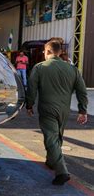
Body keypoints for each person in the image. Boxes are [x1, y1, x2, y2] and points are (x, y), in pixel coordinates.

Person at [26, 40, 88, 185]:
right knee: (57, 136)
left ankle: (62, 172)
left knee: (51, 138)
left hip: (47, 108)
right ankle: (50, 161)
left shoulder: (40, 67)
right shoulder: (72, 69)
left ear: (47, 52)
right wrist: (82, 110)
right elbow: (82, 91)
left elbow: (32, 88)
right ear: (59, 52)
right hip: (64, 110)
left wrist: (29, 105)